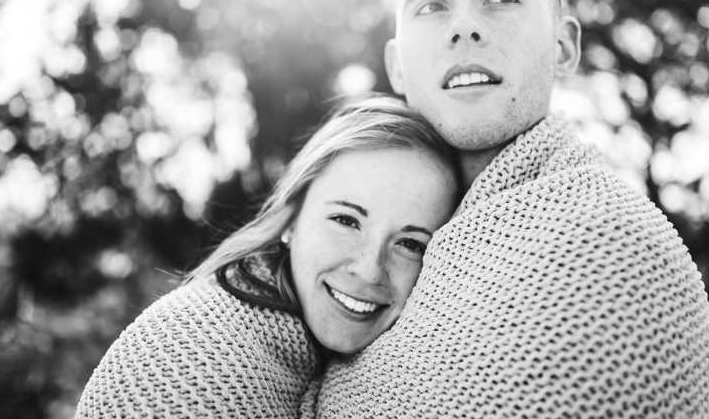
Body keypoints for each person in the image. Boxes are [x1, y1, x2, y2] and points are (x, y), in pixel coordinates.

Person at [307, 0, 709, 417]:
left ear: (563, 46)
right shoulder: (337, 219)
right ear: (397, 66)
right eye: (432, 6)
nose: (463, 27)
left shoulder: (611, 245)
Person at [74, 95, 459, 417]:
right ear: (291, 219)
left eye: (411, 244)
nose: (369, 269)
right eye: (345, 220)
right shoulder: (196, 349)